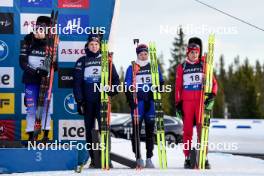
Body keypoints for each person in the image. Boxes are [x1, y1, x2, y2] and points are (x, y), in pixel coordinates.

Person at [73, 34, 120, 168]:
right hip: (88, 101)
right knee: (89, 130)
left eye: (96, 44)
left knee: (104, 129)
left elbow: (116, 80)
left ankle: (106, 157)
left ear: (100, 46)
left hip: (102, 100)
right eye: (91, 44)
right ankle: (94, 159)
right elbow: (77, 83)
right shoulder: (82, 61)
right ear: (87, 46)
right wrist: (80, 101)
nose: (94, 47)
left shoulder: (106, 60)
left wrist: (112, 90)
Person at [175, 37, 218, 169]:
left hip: (200, 102)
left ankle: (203, 157)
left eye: (196, 52)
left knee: (202, 131)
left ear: (199, 53)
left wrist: (212, 95)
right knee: (187, 131)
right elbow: (178, 87)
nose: (194, 55)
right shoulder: (182, 67)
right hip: (187, 102)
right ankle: (188, 157)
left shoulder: (204, 66)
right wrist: (178, 104)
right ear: (188, 53)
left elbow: (214, 83)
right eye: (192, 52)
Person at [125, 44, 164, 168]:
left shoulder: (154, 67)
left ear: (148, 54)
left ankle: (149, 158)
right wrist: (130, 99)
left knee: (150, 131)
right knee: (136, 131)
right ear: (137, 55)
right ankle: (138, 157)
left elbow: (160, 81)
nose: (143, 55)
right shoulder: (131, 68)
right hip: (138, 103)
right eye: (141, 54)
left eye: (145, 53)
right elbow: (127, 84)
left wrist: (160, 87)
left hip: (151, 102)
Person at [19, 16, 55, 142]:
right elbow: (22, 62)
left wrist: (52, 66)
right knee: (31, 108)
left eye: (43, 29)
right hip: (31, 80)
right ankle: (30, 134)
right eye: (38, 29)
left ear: (47, 30)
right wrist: (36, 71)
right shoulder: (27, 41)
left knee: (46, 107)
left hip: (45, 81)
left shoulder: (51, 43)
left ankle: (45, 134)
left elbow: (55, 66)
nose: (40, 32)